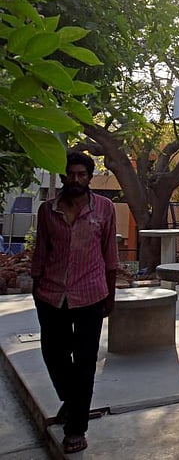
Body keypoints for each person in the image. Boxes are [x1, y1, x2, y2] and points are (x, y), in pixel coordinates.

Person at [30, 151, 118, 454]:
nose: (76, 180)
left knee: (84, 362)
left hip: (91, 295)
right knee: (53, 354)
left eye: (82, 174)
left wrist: (111, 294)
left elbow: (110, 254)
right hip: (51, 294)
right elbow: (41, 249)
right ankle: (72, 400)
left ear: (89, 178)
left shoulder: (104, 209)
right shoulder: (47, 210)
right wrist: (35, 282)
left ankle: (76, 427)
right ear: (63, 176)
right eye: (71, 174)